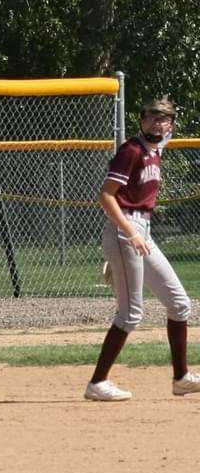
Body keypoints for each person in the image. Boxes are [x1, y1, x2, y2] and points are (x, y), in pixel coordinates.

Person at [85, 97, 200, 401]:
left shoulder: (158, 146)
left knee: (179, 304)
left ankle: (181, 378)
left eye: (162, 118)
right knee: (131, 314)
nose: (156, 123)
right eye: (150, 117)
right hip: (127, 231)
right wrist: (129, 235)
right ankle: (98, 383)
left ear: (171, 125)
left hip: (142, 232)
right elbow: (106, 197)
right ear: (141, 120)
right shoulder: (132, 151)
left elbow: (165, 133)